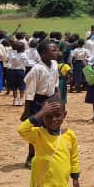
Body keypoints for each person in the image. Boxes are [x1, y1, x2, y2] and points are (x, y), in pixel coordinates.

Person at [18, 100, 80, 187]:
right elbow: (22, 129)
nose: (53, 119)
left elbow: (74, 157)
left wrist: (75, 177)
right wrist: (40, 113)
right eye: (48, 116)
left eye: (58, 115)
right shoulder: (38, 134)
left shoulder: (70, 135)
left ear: (64, 115)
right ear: (43, 117)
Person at [21, 41, 61, 169]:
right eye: (53, 50)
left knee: (51, 126)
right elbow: (30, 91)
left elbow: (55, 82)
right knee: (36, 129)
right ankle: (31, 156)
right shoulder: (37, 69)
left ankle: (48, 154)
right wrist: (27, 111)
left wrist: (58, 95)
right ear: (43, 54)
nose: (57, 52)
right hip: (37, 101)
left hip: (51, 99)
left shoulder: (54, 64)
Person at [9, 41, 29, 106]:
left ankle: (15, 100)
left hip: (12, 71)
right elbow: (27, 63)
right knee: (22, 86)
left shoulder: (12, 54)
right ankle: (21, 100)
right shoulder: (24, 55)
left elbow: (9, 61)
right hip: (21, 71)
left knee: (14, 87)